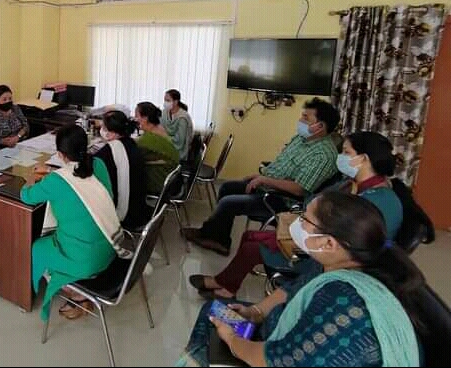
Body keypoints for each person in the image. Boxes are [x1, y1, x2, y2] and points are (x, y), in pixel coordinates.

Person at [180, 191, 424, 367]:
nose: (296, 224)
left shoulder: (342, 303)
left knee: (213, 337)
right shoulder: (333, 262)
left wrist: (232, 340)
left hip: (274, 355)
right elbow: (290, 290)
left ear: (329, 242)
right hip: (280, 336)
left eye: (305, 220)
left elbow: (275, 361)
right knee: (214, 309)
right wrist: (254, 312)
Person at [189, 131, 404, 300]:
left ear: (363, 159)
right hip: (315, 237)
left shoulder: (382, 201)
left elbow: (348, 244)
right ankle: (226, 283)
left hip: (329, 259)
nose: (341, 158)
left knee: (253, 246)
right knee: (248, 237)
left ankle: (225, 286)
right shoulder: (352, 184)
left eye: (346, 153)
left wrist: (316, 217)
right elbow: (314, 202)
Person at [183, 98, 340, 256]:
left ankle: (216, 238)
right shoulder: (302, 139)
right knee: (226, 187)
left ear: (319, 126)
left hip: (283, 200)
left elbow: (299, 189)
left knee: (228, 203)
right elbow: (282, 165)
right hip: (269, 186)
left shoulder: (323, 155)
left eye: (306, 118)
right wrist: (260, 176)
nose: (300, 120)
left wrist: (265, 180)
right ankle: (215, 235)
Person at [21, 124, 121, 322]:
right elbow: (79, 176)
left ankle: (78, 294)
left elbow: (26, 196)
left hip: (88, 260)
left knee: (38, 248)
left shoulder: (56, 182)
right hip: (111, 246)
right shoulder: (98, 164)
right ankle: (78, 287)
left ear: (60, 154)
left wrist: (31, 178)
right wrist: (52, 171)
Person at [93, 110, 150, 229]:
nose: (101, 130)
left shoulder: (108, 153)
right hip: (139, 208)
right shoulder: (131, 143)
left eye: (103, 127)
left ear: (112, 133)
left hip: (125, 215)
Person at [135, 101, 180, 196]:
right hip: (172, 180)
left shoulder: (146, 141)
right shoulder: (159, 129)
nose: (135, 119)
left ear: (145, 118)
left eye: (137, 116)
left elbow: (131, 156)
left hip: (159, 182)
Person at [161, 89, 194, 161]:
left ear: (175, 102)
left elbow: (179, 141)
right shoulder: (164, 113)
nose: (165, 103)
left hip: (179, 151)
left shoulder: (183, 117)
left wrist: (164, 136)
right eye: (165, 100)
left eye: (168, 100)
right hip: (167, 145)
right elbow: (160, 128)